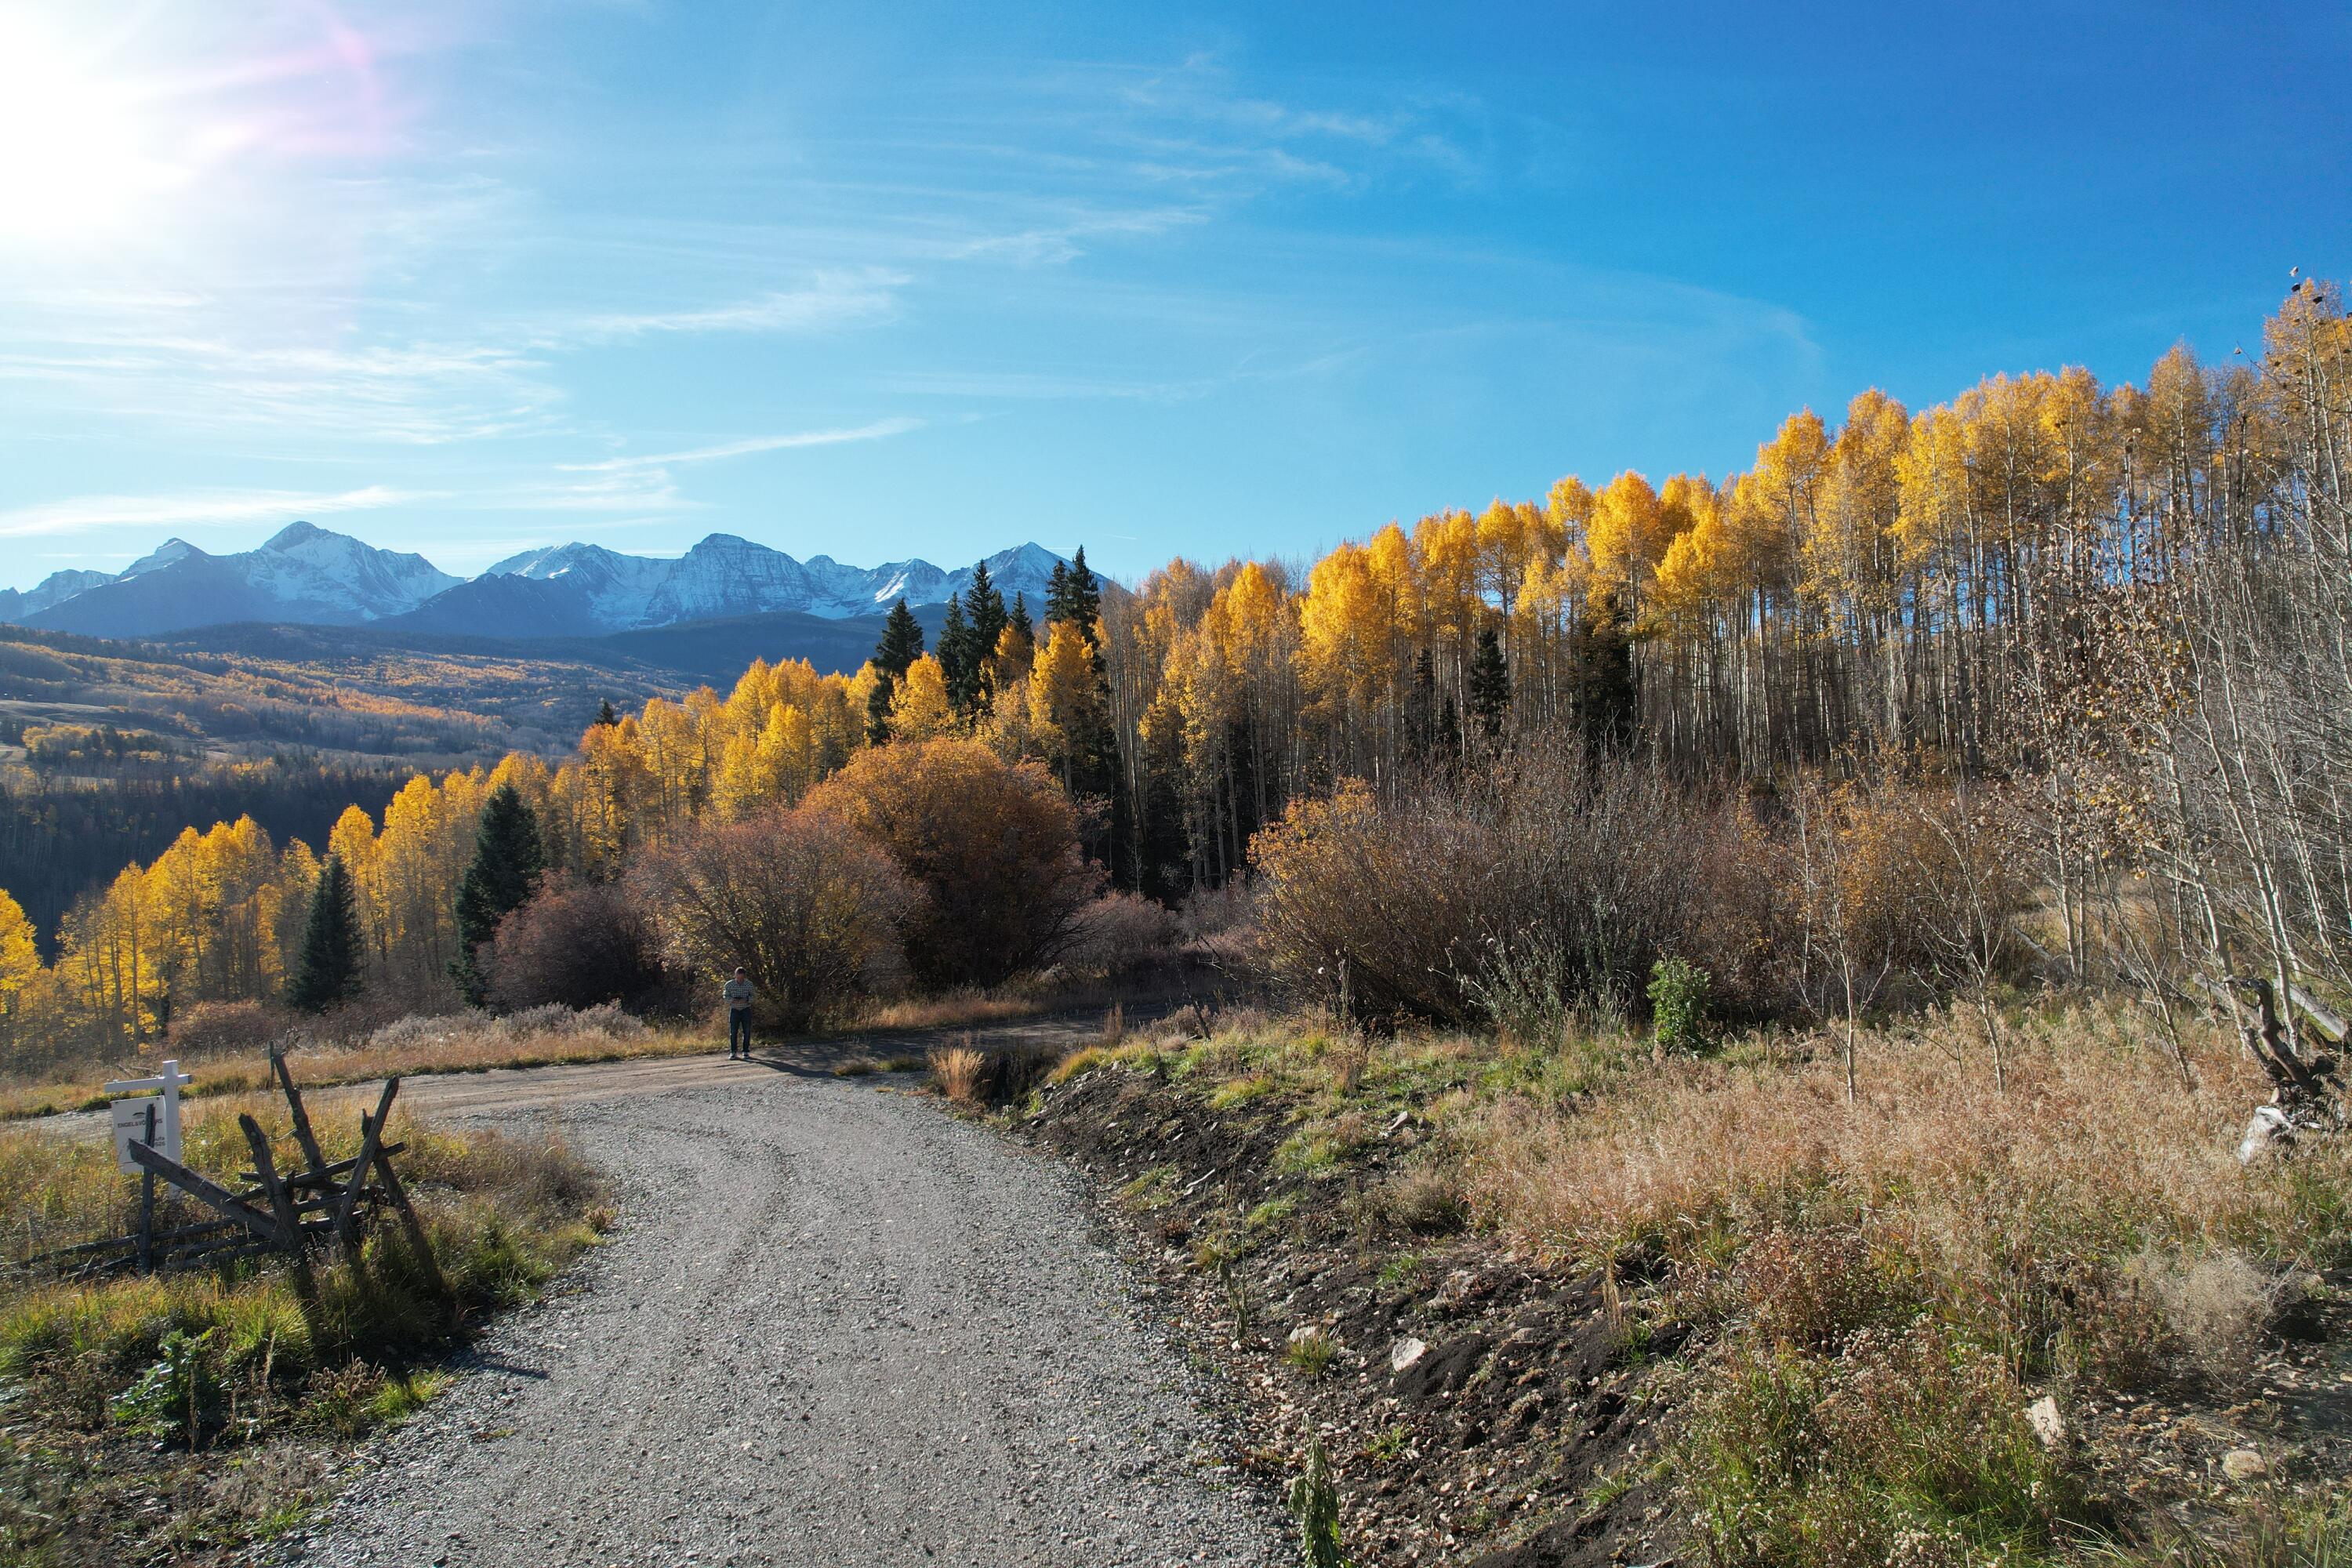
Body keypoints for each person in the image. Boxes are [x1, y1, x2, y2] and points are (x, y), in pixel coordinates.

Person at [723, 967, 756, 1059]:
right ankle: (733, 1052)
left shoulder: (749, 984)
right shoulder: (729, 984)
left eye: (742, 977)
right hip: (734, 1009)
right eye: (738, 977)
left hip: (745, 1009)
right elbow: (725, 996)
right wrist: (733, 1000)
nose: (740, 979)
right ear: (735, 975)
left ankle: (745, 1051)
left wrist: (747, 999)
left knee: (747, 1031)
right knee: (733, 1032)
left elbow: (753, 996)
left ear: (744, 976)